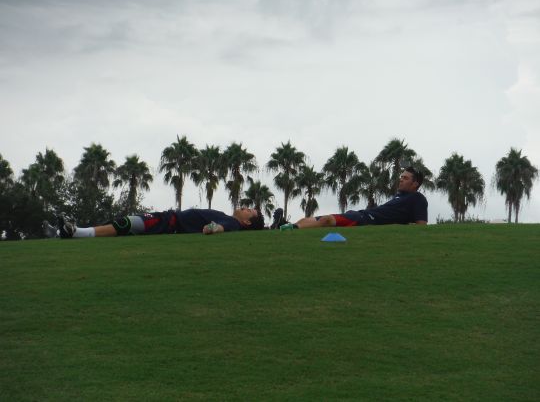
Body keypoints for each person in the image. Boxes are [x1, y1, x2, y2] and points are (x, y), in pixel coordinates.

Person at [281, 167, 428, 230]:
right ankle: (291, 226)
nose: (401, 180)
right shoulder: (399, 196)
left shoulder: (418, 198)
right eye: (401, 177)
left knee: (327, 220)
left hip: (367, 220)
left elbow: (421, 226)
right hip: (362, 214)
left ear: (415, 183)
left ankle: (292, 229)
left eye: (405, 178)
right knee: (317, 219)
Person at [43, 207, 265, 239]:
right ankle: (68, 232)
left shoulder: (233, 223)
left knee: (126, 223)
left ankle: (75, 233)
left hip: (169, 222)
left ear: (246, 222)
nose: (245, 207)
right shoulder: (229, 216)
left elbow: (220, 228)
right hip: (169, 220)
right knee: (123, 225)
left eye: (249, 210)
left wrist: (211, 229)